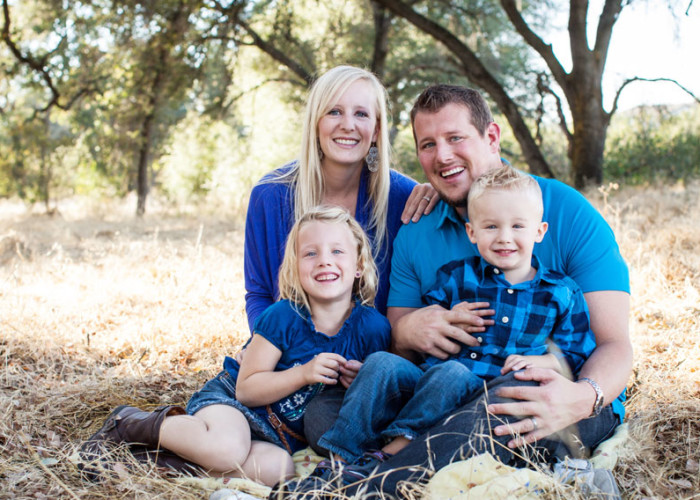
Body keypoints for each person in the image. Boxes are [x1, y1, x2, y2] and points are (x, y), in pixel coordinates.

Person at [291, 84, 632, 496]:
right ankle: (398, 461)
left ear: (491, 137)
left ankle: (367, 485)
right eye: (428, 145)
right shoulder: (418, 228)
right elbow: (399, 342)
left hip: (546, 398)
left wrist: (583, 396)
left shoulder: (565, 211)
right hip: (441, 387)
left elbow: (614, 344)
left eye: (455, 139)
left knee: (506, 401)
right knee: (324, 409)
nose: (442, 156)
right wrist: (408, 330)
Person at [283, 165, 598, 488]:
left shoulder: (560, 292)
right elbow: (423, 326)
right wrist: (441, 316)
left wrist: (541, 362)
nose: (504, 237)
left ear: (539, 231)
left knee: (454, 373)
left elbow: (575, 353)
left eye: (518, 226)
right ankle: (342, 459)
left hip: (481, 400)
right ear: (472, 233)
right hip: (430, 385)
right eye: (491, 227)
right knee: (381, 363)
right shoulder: (457, 277)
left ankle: (395, 452)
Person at [80, 206, 392, 487]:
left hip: (278, 437)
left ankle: (142, 462)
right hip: (233, 405)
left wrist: (361, 380)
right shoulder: (283, 316)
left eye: (337, 251)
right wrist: (303, 374)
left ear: (359, 265)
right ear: (296, 267)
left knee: (278, 472)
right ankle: (128, 425)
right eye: (311, 253)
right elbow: (247, 389)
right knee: (226, 449)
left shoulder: (373, 328)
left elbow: (376, 393)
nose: (324, 259)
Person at [244, 65, 436, 332]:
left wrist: (441, 189)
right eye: (334, 111)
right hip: (289, 358)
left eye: (361, 114)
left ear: (377, 130)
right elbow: (259, 294)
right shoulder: (270, 196)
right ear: (315, 122)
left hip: (375, 359)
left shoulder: (404, 198)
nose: (348, 125)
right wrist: (266, 347)